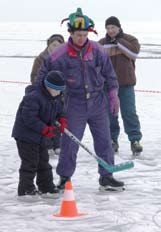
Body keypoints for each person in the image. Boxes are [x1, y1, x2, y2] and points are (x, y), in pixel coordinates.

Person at [35, 8, 125, 192]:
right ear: (71, 33)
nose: (81, 38)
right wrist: (38, 95)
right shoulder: (59, 54)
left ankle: (106, 177)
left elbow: (109, 74)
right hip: (73, 103)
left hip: (97, 101)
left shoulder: (98, 50)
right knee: (70, 143)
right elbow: (42, 74)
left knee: (104, 140)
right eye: (78, 35)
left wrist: (113, 94)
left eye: (85, 34)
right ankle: (65, 178)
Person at [12, 70, 67, 197]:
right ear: (48, 87)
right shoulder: (34, 97)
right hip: (25, 136)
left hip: (40, 136)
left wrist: (62, 119)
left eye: (61, 90)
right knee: (30, 163)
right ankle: (26, 189)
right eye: (56, 90)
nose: (59, 93)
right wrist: (45, 129)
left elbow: (60, 110)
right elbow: (29, 118)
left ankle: (46, 186)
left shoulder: (56, 97)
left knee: (43, 162)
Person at [99, 16, 143, 155]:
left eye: (113, 27)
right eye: (108, 28)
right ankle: (112, 140)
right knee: (110, 114)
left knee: (129, 113)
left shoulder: (130, 40)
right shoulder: (101, 43)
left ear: (119, 27)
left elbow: (133, 53)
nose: (110, 30)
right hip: (107, 86)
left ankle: (135, 140)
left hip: (126, 84)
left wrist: (117, 41)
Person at [30, 34, 65, 155]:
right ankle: (48, 144)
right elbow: (34, 75)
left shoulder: (65, 58)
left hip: (59, 94)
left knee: (58, 119)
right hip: (44, 93)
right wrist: (42, 87)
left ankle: (57, 144)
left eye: (58, 46)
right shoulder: (41, 59)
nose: (55, 48)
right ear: (48, 45)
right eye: (53, 45)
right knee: (46, 119)